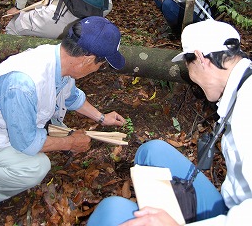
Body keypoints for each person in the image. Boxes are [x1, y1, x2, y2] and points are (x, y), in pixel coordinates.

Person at [87, 19, 252, 226]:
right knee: (153, 151)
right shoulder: (243, 85)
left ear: (201, 58)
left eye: (187, 63)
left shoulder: (247, 111)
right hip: (232, 206)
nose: (191, 76)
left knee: (113, 211)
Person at [0, 16, 126, 210]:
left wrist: (102, 118)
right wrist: (71, 143)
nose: (98, 69)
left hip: (11, 130)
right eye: (101, 64)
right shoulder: (24, 84)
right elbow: (26, 143)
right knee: (36, 168)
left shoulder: (58, 60)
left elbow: (71, 97)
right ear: (87, 59)